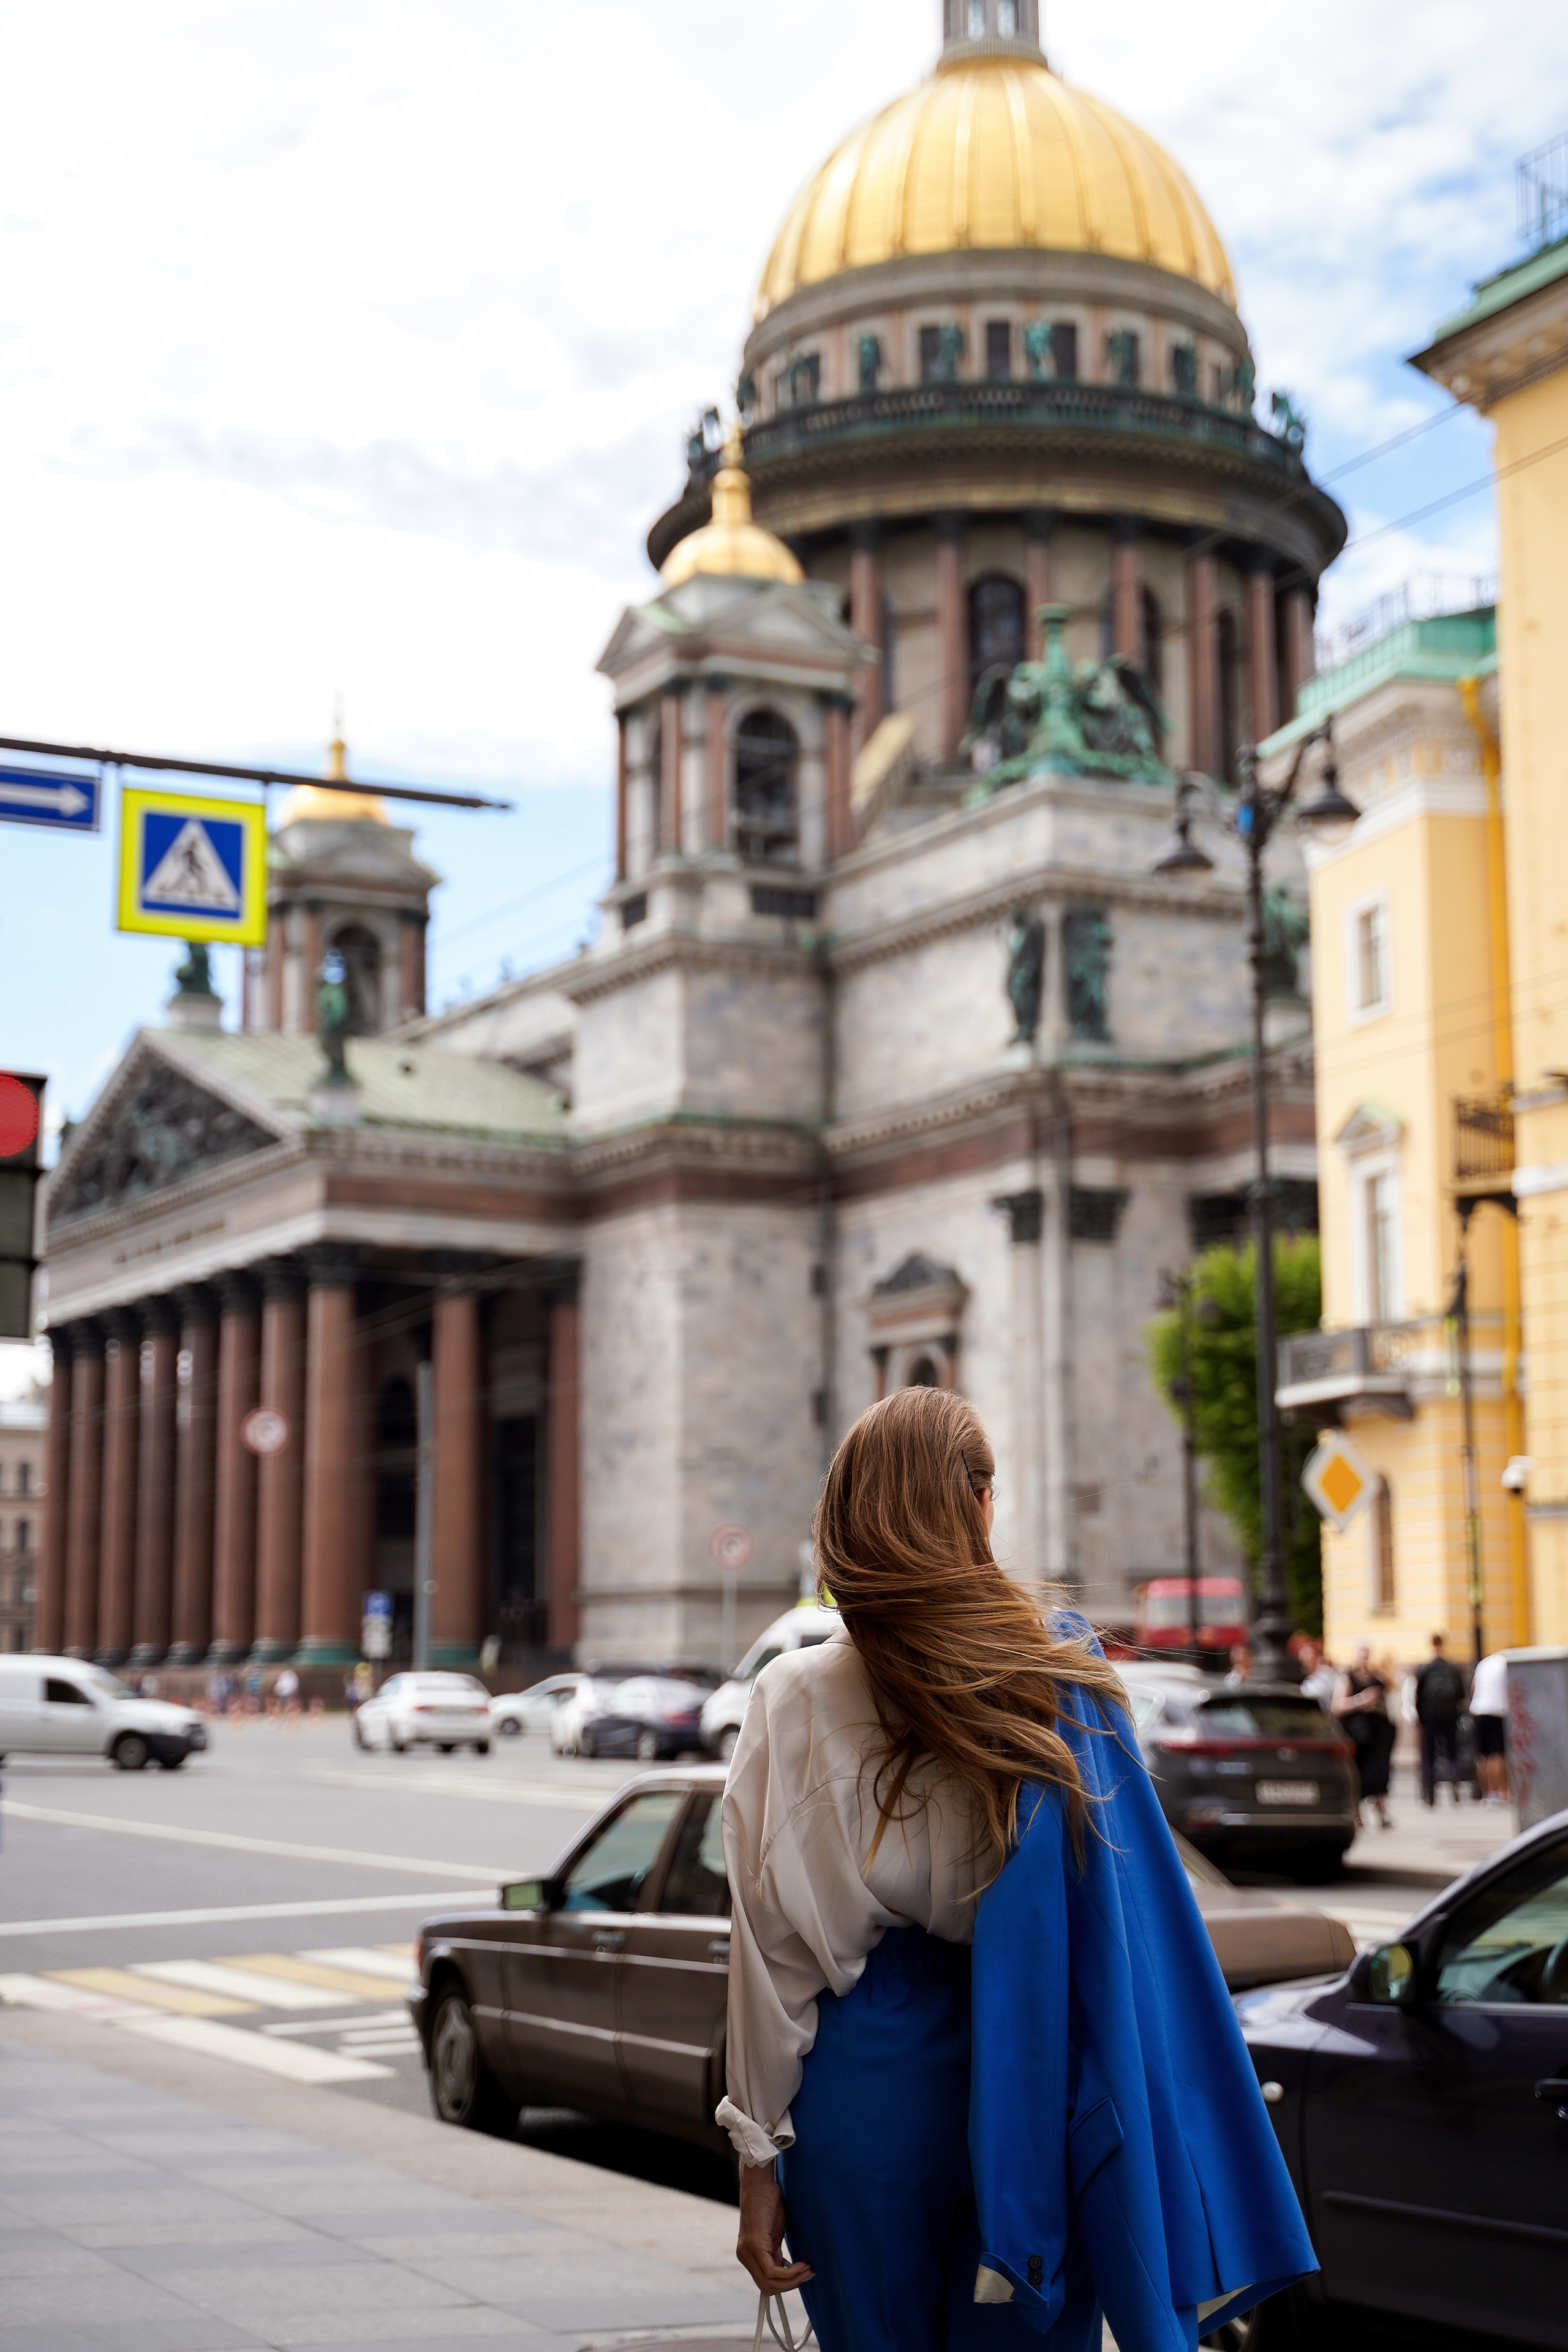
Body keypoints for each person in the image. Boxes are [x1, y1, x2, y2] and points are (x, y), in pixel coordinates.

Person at [721, 1387, 1314, 2352]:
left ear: (850, 1512)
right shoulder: (1061, 1678)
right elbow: (1130, 1922)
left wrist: (758, 2163)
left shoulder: (796, 1691)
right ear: (979, 1505)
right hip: (1037, 2064)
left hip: (867, 2072)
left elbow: (771, 1956)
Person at [1333, 1642, 1395, 1828]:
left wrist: (1376, 1705)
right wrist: (1361, 1701)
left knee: (1380, 1773)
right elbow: (1337, 1706)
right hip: (1355, 1734)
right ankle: (1357, 1812)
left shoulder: (1376, 1679)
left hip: (1376, 1733)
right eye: (1361, 1655)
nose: (1364, 1660)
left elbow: (1387, 1703)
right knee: (1358, 1773)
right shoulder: (1347, 1678)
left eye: (1367, 1656)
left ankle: (1381, 1812)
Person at [1414, 1632, 1466, 1806]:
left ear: (1432, 1644)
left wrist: (1420, 1718)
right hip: (1449, 1716)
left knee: (1429, 1754)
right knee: (1452, 1751)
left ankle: (1430, 1793)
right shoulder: (1452, 1668)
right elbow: (1461, 1694)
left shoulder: (1425, 1668)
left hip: (1429, 1716)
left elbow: (1418, 1696)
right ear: (1444, 1644)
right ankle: (1454, 1783)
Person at [1469, 1648, 1511, 1804]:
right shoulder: (1505, 1664)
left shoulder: (1484, 1663)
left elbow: (1474, 1688)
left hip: (1478, 1710)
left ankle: (1487, 1793)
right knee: (1497, 1753)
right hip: (1497, 1710)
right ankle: (1499, 1793)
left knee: (1483, 1755)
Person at [1297, 1637, 1338, 1708]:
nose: (1307, 1661)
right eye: (1304, 1659)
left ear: (1317, 1658)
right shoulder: (1299, 1676)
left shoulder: (1326, 1673)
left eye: (1311, 1658)